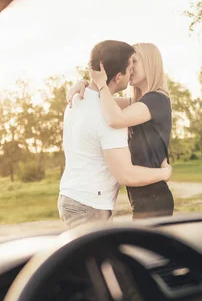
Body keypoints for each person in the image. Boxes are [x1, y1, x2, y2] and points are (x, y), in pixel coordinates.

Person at [59, 40, 171, 228]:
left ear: (150, 64)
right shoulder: (137, 102)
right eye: (130, 63)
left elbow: (114, 117)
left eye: (135, 61)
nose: (131, 68)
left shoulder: (156, 100)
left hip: (153, 196)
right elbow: (102, 104)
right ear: (119, 76)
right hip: (112, 200)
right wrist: (85, 83)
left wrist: (99, 85)